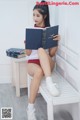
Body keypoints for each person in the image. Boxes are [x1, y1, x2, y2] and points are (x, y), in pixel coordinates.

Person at [25, 1, 60, 120]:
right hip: (33, 63)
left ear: (44, 16)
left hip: (47, 63)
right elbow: (28, 54)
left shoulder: (50, 31)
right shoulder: (30, 30)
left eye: (37, 15)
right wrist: (27, 44)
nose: (34, 18)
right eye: (33, 15)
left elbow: (52, 53)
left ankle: (49, 82)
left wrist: (56, 42)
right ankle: (30, 110)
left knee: (42, 50)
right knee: (38, 70)